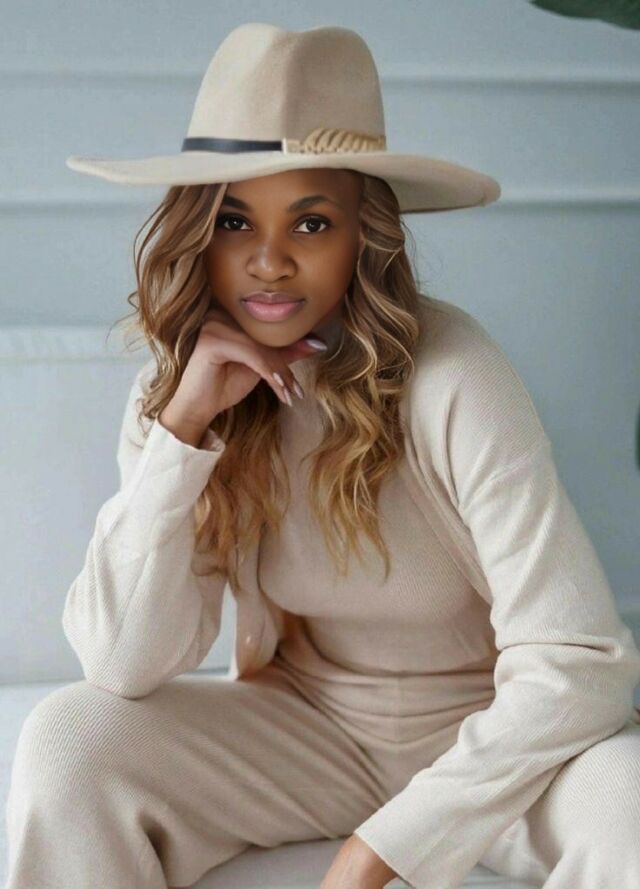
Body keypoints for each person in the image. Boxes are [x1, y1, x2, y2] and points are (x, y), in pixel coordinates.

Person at [5, 22, 640, 889]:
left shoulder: (454, 374)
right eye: (235, 220)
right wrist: (183, 429)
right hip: (308, 735)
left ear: (363, 234)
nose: (268, 262)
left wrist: (381, 849)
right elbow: (121, 663)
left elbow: (582, 659)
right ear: (198, 232)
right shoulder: (181, 389)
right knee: (68, 739)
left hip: (496, 739)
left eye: (311, 221)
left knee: (632, 801)